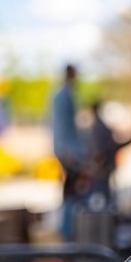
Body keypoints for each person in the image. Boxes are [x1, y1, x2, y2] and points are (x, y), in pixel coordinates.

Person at [51, 64, 88, 239]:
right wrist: (68, 152)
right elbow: (63, 127)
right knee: (72, 191)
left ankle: (68, 229)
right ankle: (68, 230)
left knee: (72, 190)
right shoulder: (63, 96)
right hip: (68, 151)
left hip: (67, 150)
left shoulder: (65, 95)